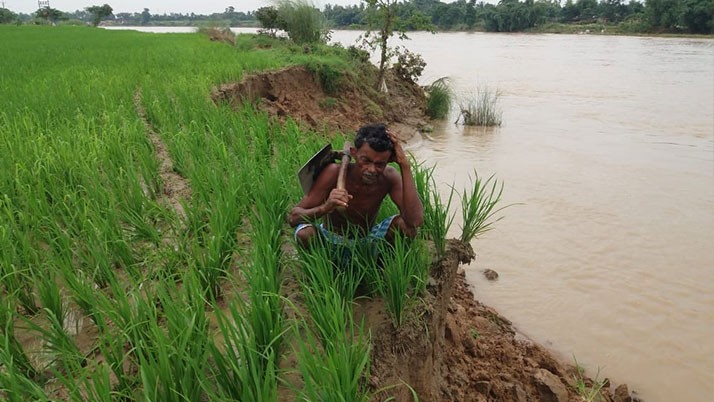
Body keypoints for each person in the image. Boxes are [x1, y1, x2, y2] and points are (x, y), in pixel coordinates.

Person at [288, 123, 424, 257]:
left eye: (379, 164)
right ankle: (324, 271)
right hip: (330, 240)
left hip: (366, 241)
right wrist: (325, 207)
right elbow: (293, 218)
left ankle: (377, 270)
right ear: (354, 153)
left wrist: (404, 164)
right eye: (365, 160)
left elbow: (415, 221)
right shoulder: (333, 173)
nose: (371, 169)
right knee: (304, 234)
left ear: (389, 161)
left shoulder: (389, 177)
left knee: (406, 228)